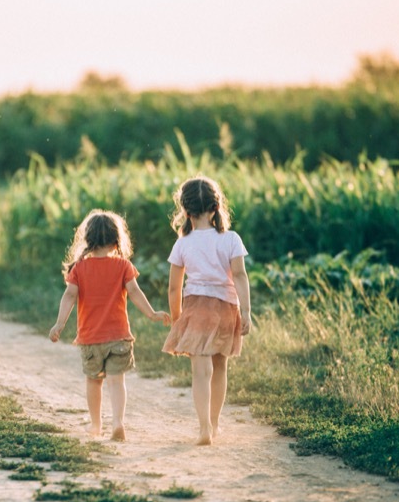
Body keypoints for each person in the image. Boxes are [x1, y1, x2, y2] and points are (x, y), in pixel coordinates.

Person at [49, 209, 171, 442]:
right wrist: (152, 313)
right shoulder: (122, 266)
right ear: (117, 241)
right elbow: (135, 292)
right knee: (117, 381)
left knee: (94, 382)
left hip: (90, 338)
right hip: (118, 337)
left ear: (88, 241)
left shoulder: (79, 269)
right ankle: (118, 423)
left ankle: (96, 426)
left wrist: (59, 323)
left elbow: (68, 297)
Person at [161, 177, 251, 446]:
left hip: (196, 309)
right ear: (216, 207)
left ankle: (203, 428)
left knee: (200, 372)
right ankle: (215, 422)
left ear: (186, 212)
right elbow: (240, 276)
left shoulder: (183, 243)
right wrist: (246, 311)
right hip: (225, 308)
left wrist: (178, 318)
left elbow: (174, 288)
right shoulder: (231, 239)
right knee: (219, 367)